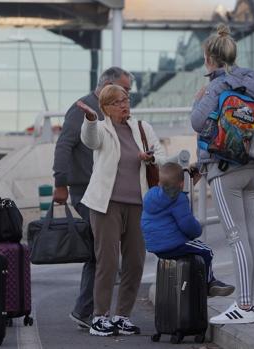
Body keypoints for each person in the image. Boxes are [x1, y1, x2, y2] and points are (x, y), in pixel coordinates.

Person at [190, 24, 254, 325]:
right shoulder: (250, 80)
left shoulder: (215, 86)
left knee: (235, 237)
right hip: (251, 167)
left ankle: (244, 306)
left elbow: (197, 122)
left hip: (224, 169)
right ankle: (248, 302)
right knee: (250, 236)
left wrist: (200, 97)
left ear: (208, 58)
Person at [78, 84, 167, 336]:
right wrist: (90, 120)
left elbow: (162, 156)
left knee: (135, 261)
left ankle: (122, 316)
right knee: (107, 261)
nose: (124, 105)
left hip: (139, 204)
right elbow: (90, 140)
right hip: (106, 205)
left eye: (126, 99)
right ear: (105, 107)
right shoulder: (102, 128)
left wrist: (149, 158)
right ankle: (99, 317)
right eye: (117, 102)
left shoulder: (142, 128)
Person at [52, 67, 133, 329]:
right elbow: (64, 145)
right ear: (108, 86)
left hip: (105, 192)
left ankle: (86, 310)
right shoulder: (84, 108)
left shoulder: (111, 112)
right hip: (86, 191)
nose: (127, 96)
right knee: (102, 253)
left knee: (98, 252)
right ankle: (87, 311)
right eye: (125, 90)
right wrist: (60, 183)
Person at [141, 162, 235, 296]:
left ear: (159, 182)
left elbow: (171, 197)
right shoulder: (179, 199)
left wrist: (192, 182)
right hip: (173, 245)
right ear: (181, 184)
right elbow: (188, 226)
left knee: (192, 253)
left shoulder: (151, 195)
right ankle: (210, 284)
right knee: (206, 251)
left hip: (155, 247)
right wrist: (198, 230)